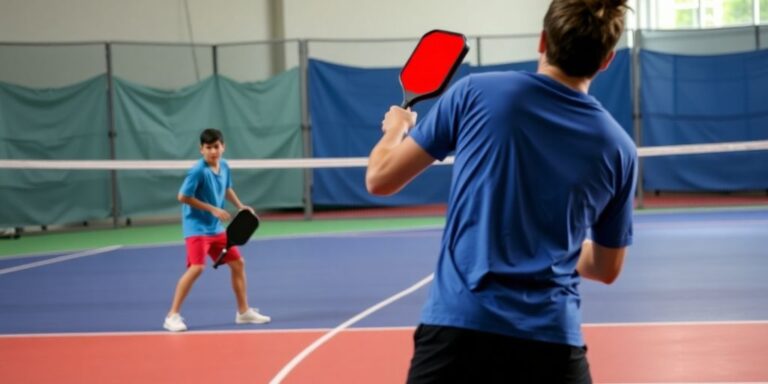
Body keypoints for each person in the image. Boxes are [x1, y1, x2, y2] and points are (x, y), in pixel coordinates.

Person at [366, 0, 635, 382]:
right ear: (607, 59)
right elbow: (607, 268)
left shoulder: (474, 94)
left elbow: (380, 178)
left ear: (543, 40)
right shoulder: (619, 148)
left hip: (458, 335)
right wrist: (550, 243)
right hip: (552, 347)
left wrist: (397, 128)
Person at [164, 128, 270, 332]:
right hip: (196, 228)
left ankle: (243, 312)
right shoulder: (198, 171)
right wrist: (212, 209)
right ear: (201, 149)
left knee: (238, 263)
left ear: (223, 146)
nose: (213, 151)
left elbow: (226, 187)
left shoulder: (225, 165)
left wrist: (240, 206)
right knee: (197, 268)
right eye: (208, 147)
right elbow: (182, 197)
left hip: (216, 229)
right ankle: (172, 315)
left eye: (216, 147)